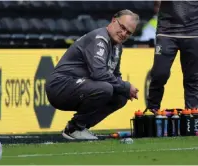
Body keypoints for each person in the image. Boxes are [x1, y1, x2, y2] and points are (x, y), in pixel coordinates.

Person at [45, 9, 140, 140]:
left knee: (120, 95)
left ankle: (80, 127)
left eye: (128, 33)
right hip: (60, 85)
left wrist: (124, 88)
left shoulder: (117, 47)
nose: (124, 33)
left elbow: (115, 75)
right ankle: (74, 129)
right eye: (122, 27)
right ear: (113, 20)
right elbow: (99, 73)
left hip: (78, 85)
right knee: (106, 88)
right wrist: (126, 86)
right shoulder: (100, 38)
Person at [147, 1, 198, 112]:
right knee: (160, 73)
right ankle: (152, 109)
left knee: (193, 78)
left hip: (193, 31)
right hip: (167, 30)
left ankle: (192, 118)